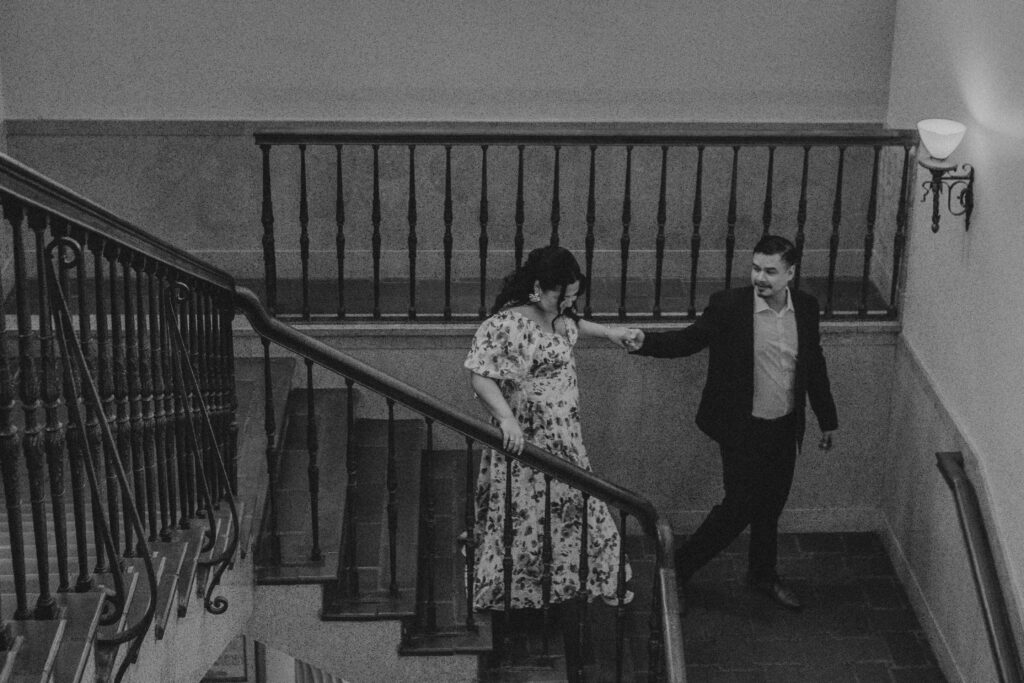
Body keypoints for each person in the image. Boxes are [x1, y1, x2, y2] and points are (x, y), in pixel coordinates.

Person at [625, 234, 837, 611]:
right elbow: (689, 341)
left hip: (784, 427)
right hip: (741, 427)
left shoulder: (805, 308)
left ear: (790, 273)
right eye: (756, 268)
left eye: (770, 271)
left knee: (770, 507)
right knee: (738, 506)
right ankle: (678, 568)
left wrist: (827, 419)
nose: (760, 277)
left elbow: (813, 364)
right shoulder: (729, 306)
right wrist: (645, 343)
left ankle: (762, 575)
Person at [464, 245, 634, 612]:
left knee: (572, 507)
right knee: (526, 513)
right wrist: (506, 417)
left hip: (566, 438)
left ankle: (568, 577)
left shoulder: (560, 317)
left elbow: (574, 326)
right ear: (539, 287)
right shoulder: (508, 324)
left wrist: (610, 333)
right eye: (563, 296)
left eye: (573, 297)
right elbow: (481, 375)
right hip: (529, 438)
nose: (568, 304)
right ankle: (518, 587)